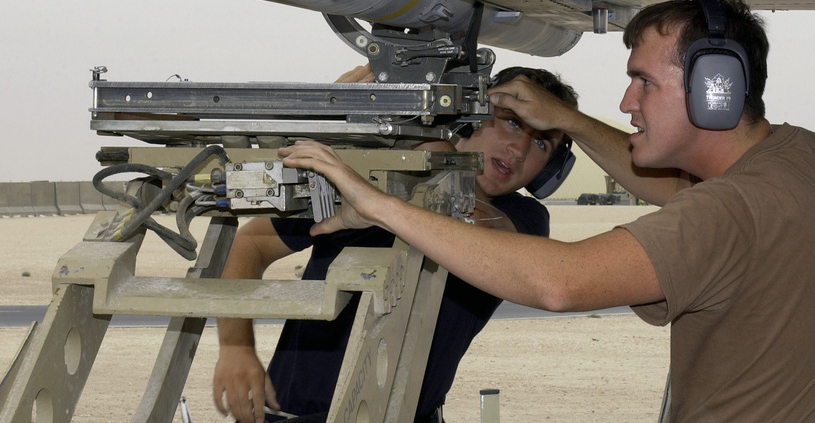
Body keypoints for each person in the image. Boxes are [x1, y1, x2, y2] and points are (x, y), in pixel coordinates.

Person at [284, 0, 815, 421]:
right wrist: (565, 120)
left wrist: (382, 205)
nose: (626, 102)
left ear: (712, 87)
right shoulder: (807, 157)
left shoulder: (727, 213)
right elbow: (674, 188)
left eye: (644, 83)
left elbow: (559, 282)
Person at [212, 67, 580, 423]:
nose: (518, 149)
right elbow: (251, 244)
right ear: (473, 113)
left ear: (550, 169)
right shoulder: (367, 173)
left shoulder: (523, 219)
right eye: (512, 122)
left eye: (540, 143)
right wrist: (235, 346)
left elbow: (477, 219)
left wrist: (423, 139)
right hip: (289, 412)